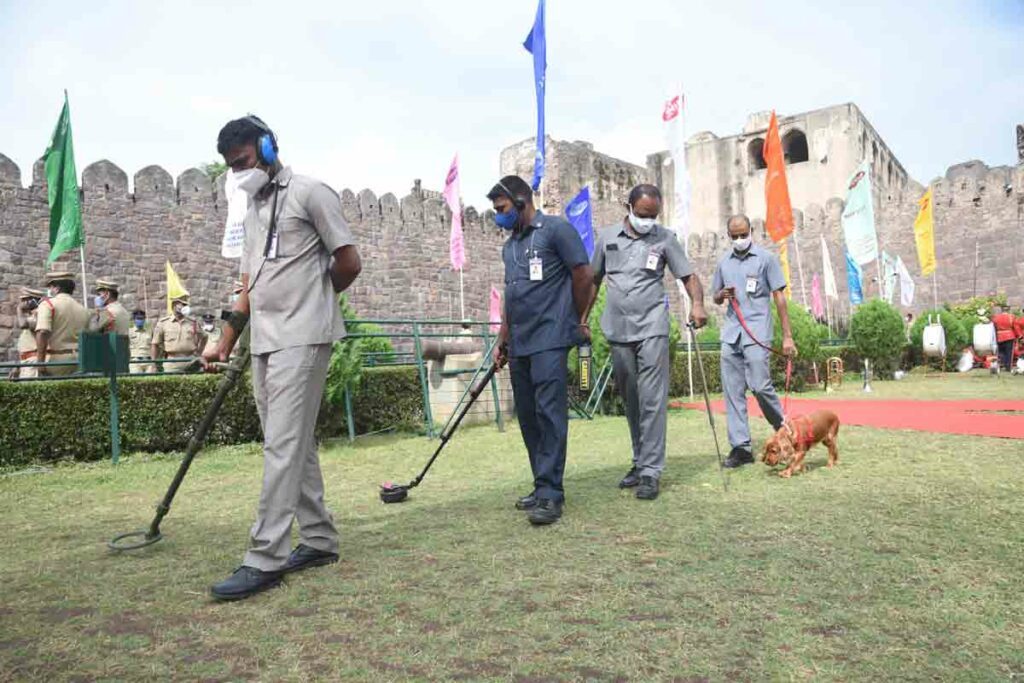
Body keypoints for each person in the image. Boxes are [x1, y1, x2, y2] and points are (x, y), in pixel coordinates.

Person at [203, 115, 362, 601]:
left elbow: (349, 262)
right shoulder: (252, 207)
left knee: (281, 446)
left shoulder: (313, 193)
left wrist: (314, 299)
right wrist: (226, 335)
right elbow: (249, 280)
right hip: (265, 340)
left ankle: (265, 556)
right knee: (291, 442)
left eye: (244, 161)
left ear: (269, 149)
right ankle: (318, 539)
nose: (239, 172)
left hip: (304, 336)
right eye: (231, 167)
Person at [588, 184, 708, 500]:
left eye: (653, 216)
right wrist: (580, 318)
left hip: (653, 326)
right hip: (618, 329)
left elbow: (689, 277)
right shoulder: (607, 237)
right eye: (642, 215)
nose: (647, 221)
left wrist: (698, 304)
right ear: (628, 207)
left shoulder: (665, 238)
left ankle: (651, 472)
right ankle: (640, 460)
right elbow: (593, 280)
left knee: (653, 399)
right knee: (632, 398)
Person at [489, 174, 593, 525]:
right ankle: (540, 483)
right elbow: (511, 296)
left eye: (502, 209)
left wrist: (575, 318)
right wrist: (502, 340)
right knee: (530, 417)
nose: (498, 216)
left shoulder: (556, 231)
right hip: (519, 343)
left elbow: (583, 274)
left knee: (550, 415)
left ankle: (551, 493)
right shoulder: (510, 246)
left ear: (521, 201)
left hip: (550, 338)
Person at [711, 215, 796, 468]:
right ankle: (741, 448)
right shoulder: (723, 262)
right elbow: (715, 297)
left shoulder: (766, 259)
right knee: (733, 391)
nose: (739, 240)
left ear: (751, 231)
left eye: (743, 234)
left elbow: (779, 296)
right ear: (729, 236)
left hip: (757, 332)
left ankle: (785, 429)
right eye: (734, 236)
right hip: (731, 334)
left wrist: (787, 335)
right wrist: (720, 295)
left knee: (759, 386)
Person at [34, 271, 89, 377]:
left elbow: (42, 332)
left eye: (51, 287)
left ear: (57, 288)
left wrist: (40, 363)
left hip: (58, 360)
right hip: (80, 360)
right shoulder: (83, 309)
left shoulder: (48, 304)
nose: (50, 290)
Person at [151, 294, 203, 373]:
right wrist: (154, 365)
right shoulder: (163, 323)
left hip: (190, 361)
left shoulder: (193, 322)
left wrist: (199, 353)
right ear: (174, 305)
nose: (184, 307)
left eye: (185, 305)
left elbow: (204, 336)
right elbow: (155, 344)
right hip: (172, 362)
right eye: (182, 304)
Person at [12, 287, 45, 379]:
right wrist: (17, 366)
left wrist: (19, 309)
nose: (21, 303)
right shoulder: (30, 316)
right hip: (26, 361)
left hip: (33, 361)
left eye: (24, 300)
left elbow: (22, 324)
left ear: (32, 301)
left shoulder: (40, 314)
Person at [128, 309, 154, 374]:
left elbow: (154, 346)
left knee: (151, 382)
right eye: (138, 318)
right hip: (135, 361)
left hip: (148, 361)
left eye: (142, 318)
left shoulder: (149, 331)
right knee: (136, 382)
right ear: (134, 320)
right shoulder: (129, 332)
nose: (140, 320)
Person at [991, 304, 1017, 370]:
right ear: (1008, 310)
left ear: (1001, 310)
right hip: (1009, 335)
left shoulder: (996, 317)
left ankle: (1001, 365)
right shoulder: (1012, 317)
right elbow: (1015, 327)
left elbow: (994, 327)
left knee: (1001, 352)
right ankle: (1008, 367)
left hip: (999, 335)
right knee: (1009, 352)